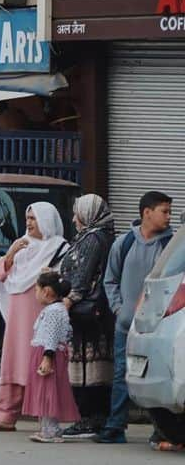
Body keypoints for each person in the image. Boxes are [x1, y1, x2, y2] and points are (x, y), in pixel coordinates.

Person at [0, 200, 68, 432]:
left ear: (47, 221)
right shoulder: (22, 246)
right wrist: (10, 253)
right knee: (14, 360)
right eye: (28, 218)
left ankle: (45, 418)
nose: (29, 223)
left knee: (41, 358)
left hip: (42, 316)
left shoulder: (59, 248)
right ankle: (5, 415)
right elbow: (2, 273)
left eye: (34, 218)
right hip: (18, 317)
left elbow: (64, 280)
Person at [97, 190, 174, 446]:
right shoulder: (124, 243)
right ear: (146, 213)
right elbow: (110, 280)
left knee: (157, 378)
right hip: (125, 326)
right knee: (121, 375)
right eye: (164, 211)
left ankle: (161, 431)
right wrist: (119, 310)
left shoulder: (170, 245)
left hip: (158, 330)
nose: (168, 217)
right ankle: (115, 427)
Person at [56, 194, 116, 441]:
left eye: (77, 213)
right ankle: (91, 418)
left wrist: (68, 301)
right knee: (92, 367)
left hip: (87, 313)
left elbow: (82, 275)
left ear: (88, 215)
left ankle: (90, 419)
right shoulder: (95, 236)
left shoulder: (93, 239)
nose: (73, 219)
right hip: (92, 313)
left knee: (90, 368)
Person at [24, 271, 81, 443]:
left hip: (48, 354)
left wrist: (48, 356)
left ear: (46, 291)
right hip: (46, 351)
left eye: (37, 289)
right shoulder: (56, 309)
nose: (36, 293)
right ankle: (47, 428)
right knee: (45, 390)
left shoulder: (54, 311)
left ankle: (50, 430)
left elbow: (52, 335)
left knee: (48, 391)